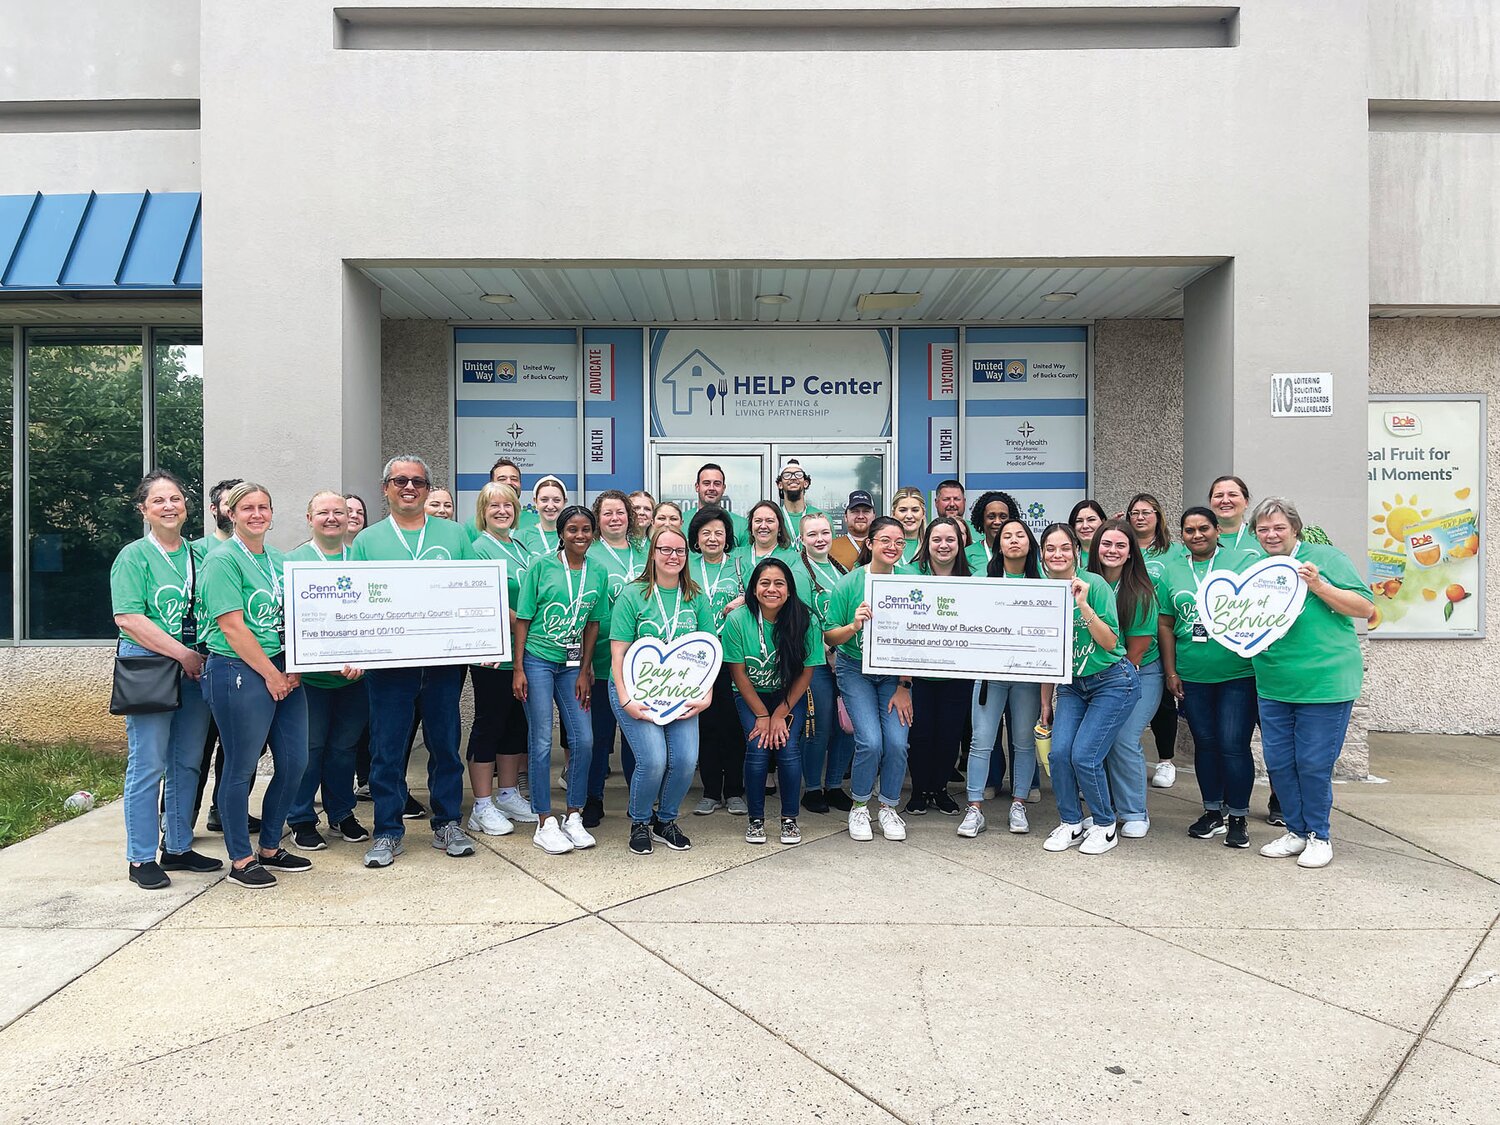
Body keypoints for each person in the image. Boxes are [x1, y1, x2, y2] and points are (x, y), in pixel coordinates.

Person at [351, 456, 479, 868]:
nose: (410, 487)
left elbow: (475, 592)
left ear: (428, 489)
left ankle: (447, 823)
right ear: (385, 487)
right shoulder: (368, 541)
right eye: (400, 481)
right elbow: (353, 602)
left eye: (418, 482)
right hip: (390, 667)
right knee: (387, 751)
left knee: (445, 746)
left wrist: (483, 642)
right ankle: (388, 831)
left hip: (443, 665)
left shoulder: (455, 534)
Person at [198, 482, 312, 888]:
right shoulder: (222, 560)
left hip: (283, 669)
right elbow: (231, 626)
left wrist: (295, 665)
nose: (257, 514)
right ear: (230, 513)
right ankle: (241, 860)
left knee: (295, 761)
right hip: (238, 670)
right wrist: (271, 674)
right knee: (241, 767)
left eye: (264, 507)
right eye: (247, 508)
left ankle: (269, 847)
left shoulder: (279, 559)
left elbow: (301, 614)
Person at [111, 470, 220, 889]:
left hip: (195, 668)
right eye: (159, 501)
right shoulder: (134, 556)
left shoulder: (199, 554)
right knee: (148, 763)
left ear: (186, 506)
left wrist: (198, 657)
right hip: (150, 666)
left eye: (175, 498)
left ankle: (176, 846)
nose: (169, 507)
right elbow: (129, 618)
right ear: (144, 510)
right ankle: (140, 858)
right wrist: (183, 654)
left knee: (187, 760)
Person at [1250, 497, 1371, 870]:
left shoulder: (1326, 559)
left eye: (1278, 527)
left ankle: (1320, 835)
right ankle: (1296, 831)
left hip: (1325, 681)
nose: (1271, 535)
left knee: (1314, 763)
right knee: (1279, 763)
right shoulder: (1257, 568)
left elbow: (1365, 607)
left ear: (1295, 529)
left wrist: (1318, 585)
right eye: (1263, 529)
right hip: (1274, 680)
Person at [608, 526, 717, 855]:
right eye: (666, 550)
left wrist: (707, 694)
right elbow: (618, 654)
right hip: (636, 693)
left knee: (685, 761)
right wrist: (625, 699)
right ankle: (640, 821)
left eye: (680, 551)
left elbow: (710, 653)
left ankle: (665, 820)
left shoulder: (696, 597)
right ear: (653, 554)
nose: (673, 557)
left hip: (683, 694)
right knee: (653, 760)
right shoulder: (633, 594)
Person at [1156, 507, 1259, 849]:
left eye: (1203, 528)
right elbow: (1166, 624)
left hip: (1237, 673)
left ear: (1217, 530)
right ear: (1181, 535)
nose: (1197, 535)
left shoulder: (1241, 564)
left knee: (1233, 744)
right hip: (1193, 674)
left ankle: (1239, 817)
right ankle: (1212, 811)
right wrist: (1171, 672)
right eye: (1189, 530)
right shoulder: (1173, 570)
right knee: (1206, 744)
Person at [1038, 523, 1140, 856]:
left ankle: (1105, 825)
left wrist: (1083, 604)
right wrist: (1045, 704)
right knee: (1059, 753)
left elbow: (1111, 642)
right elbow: (1045, 656)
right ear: (1041, 555)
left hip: (1112, 681)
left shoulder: (1094, 584)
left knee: (1085, 755)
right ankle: (1071, 822)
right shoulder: (1039, 591)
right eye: (1050, 549)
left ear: (1076, 552)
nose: (1058, 554)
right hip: (1071, 686)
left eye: (1065, 548)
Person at [513, 503, 607, 854]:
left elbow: (594, 621)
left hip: (573, 665)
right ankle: (543, 820)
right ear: (561, 533)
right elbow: (523, 618)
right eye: (572, 530)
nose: (579, 535)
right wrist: (519, 668)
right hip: (537, 659)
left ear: (592, 534)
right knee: (540, 741)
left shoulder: (597, 571)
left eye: (586, 530)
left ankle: (574, 815)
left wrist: (585, 667)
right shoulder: (541, 566)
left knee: (584, 740)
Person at [284, 491, 369, 851]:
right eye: (324, 512)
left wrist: (368, 659)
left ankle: (341, 813)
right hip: (310, 679)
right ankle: (302, 818)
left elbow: (377, 616)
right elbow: (286, 621)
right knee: (309, 748)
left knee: (343, 748)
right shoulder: (292, 562)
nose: (332, 518)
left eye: (340, 512)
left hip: (356, 676)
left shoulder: (363, 560)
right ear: (309, 518)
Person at [823, 515, 917, 842]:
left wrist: (905, 685)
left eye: (899, 542)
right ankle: (860, 805)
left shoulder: (910, 579)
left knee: (896, 741)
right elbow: (830, 636)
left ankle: (888, 806)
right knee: (870, 741)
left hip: (894, 673)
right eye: (885, 541)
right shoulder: (850, 583)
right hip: (855, 668)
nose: (892, 547)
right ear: (870, 543)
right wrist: (854, 625)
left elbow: (917, 639)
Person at [723, 557, 823, 846]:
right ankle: (756, 820)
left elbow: (806, 672)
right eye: (764, 583)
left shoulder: (807, 620)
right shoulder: (737, 620)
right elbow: (738, 673)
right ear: (753, 589)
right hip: (749, 694)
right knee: (757, 747)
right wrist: (762, 715)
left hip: (789, 696)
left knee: (788, 748)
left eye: (779, 583)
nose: (772, 589)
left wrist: (780, 712)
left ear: (789, 590)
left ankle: (789, 819)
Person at [961, 518, 1044, 839]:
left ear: (1029, 542)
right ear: (997, 545)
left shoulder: (1044, 581)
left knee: (1024, 742)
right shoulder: (982, 579)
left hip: (1027, 675)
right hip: (989, 675)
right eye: (1006, 536)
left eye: (1019, 535)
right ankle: (974, 809)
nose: (1012, 540)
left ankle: (1019, 804)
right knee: (981, 740)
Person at [465, 481, 537, 835]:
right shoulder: (479, 549)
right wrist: (528, 626)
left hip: (524, 652)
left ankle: (508, 794)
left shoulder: (522, 545)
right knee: (489, 723)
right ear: (483, 510)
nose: (501, 511)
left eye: (507, 505)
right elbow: (488, 598)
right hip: (494, 654)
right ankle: (481, 805)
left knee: (515, 725)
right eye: (493, 506)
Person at [1087, 519, 1163, 840]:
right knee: (1094, 742)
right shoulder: (1083, 581)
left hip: (1136, 673)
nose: (1113, 550)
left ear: (1131, 552)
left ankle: (1134, 811)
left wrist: (1107, 689)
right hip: (1091, 675)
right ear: (1096, 548)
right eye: (1106, 544)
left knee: (1122, 738)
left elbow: (1135, 653)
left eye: (1121, 545)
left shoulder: (1141, 593)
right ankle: (1106, 809)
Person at [585, 489, 646, 828]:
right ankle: (594, 798)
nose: (614, 518)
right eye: (607, 513)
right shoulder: (590, 553)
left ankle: (638, 798)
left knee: (637, 738)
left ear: (630, 517)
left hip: (643, 663)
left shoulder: (645, 551)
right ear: (598, 518)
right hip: (603, 660)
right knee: (598, 736)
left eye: (620, 512)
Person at [904, 517, 969, 817]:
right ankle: (919, 791)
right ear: (926, 544)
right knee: (920, 734)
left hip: (957, 674)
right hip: (918, 673)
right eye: (937, 540)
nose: (943, 546)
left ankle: (940, 789)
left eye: (950, 540)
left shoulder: (976, 581)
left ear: (960, 543)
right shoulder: (907, 577)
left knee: (949, 734)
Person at [191, 476, 244, 833]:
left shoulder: (258, 555)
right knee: (195, 749)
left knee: (238, 746)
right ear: (216, 510)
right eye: (229, 503)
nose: (234, 509)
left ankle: (223, 812)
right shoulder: (195, 552)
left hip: (240, 663)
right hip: (201, 659)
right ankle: (178, 823)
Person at [688, 506, 748, 817]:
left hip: (733, 656)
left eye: (719, 534)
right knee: (706, 725)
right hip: (697, 659)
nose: (713, 538)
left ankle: (735, 791)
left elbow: (758, 598)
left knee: (734, 726)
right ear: (696, 539)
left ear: (727, 539)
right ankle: (711, 791)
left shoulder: (739, 566)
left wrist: (742, 601)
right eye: (706, 533)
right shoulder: (686, 566)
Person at [791, 512, 853, 814]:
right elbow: (801, 619)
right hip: (816, 661)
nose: (820, 539)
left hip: (847, 659)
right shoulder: (798, 573)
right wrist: (828, 649)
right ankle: (812, 788)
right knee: (819, 725)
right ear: (802, 538)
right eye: (813, 534)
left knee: (846, 725)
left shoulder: (841, 570)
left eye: (825, 533)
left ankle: (835, 785)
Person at [1124, 493, 1183, 790]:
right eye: (1134, 512)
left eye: (1147, 512)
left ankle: (1166, 760)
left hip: (1161, 632)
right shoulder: (1124, 547)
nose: (1140, 517)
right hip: (1128, 635)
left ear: (1158, 517)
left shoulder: (1173, 553)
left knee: (1162, 702)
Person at [465, 457, 538, 540]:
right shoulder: (472, 525)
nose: (509, 482)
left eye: (514, 479)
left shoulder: (537, 522)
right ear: (491, 484)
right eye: (502, 479)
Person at [733, 500, 797, 574]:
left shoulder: (792, 559)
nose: (763, 526)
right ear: (751, 526)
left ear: (779, 527)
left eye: (769, 521)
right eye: (758, 521)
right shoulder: (735, 555)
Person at [964, 490, 1019, 574]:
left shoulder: (1019, 551)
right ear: (982, 520)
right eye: (991, 517)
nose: (997, 522)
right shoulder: (967, 553)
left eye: (1003, 517)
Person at [1209, 474, 1264, 557]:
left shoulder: (1261, 535)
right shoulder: (1200, 538)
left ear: (1246, 502)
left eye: (1232, 495)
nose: (1225, 501)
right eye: (1219, 496)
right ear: (1210, 502)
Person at [694, 462, 749, 544]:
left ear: (723, 488)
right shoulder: (681, 522)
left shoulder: (742, 525)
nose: (711, 488)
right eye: (706, 483)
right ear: (697, 487)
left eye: (717, 484)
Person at [517, 475, 568, 556]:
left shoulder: (573, 534)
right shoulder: (522, 536)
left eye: (556, 500)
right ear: (535, 501)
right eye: (544, 500)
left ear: (564, 502)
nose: (550, 506)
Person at [775, 459, 822, 540]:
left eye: (798, 474)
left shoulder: (822, 517)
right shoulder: (773, 517)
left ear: (805, 483)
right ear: (780, 485)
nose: (793, 478)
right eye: (787, 475)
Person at [828, 490, 875, 571]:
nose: (860, 516)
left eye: (866, 511)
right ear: (846, 517)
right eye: (855, 511)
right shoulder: (830, 547)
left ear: (874, 516)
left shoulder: (882, 545)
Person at [891, 486, 927, 563]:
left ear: (923, 513)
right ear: (893, 513)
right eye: (903, 510)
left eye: (915, 510)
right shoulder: (883, 546)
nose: (909, 516)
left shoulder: (932, 546)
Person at [1069, 499, 1107, 568]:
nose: (1085, 526)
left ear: (1103, 522)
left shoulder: (1111, 555)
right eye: (1079, 521)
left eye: (1091, 520)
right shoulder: (1066, 556)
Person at [933, 480, 970, 545]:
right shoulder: (928, 531)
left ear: (964, 502)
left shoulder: (979, 532)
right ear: (936, 503)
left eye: (956, 499)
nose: (952, 504)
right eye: (946, 499)